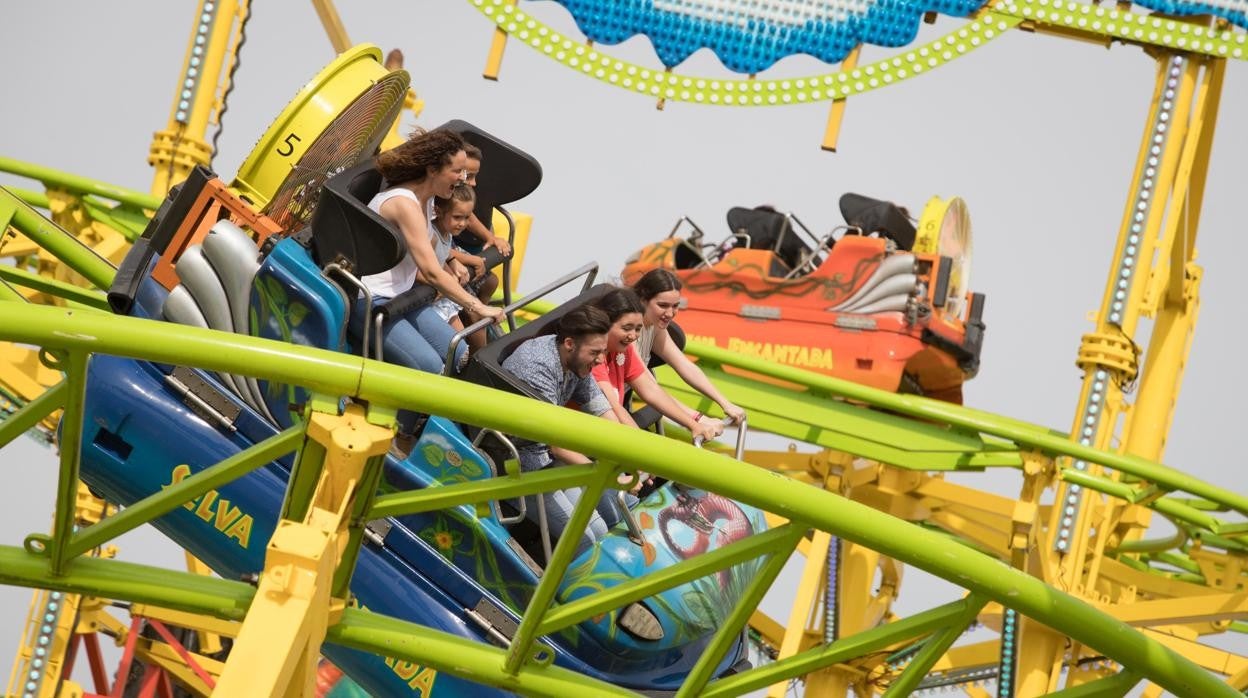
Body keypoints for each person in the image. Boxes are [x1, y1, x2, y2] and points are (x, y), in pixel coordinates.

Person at [350, 128, 503, 445]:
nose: (462, 178)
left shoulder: (428, 200)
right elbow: (431, 272)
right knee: (431, 368)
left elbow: (435, 247)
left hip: (403, 299)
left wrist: (454, 259)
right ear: (433, 169)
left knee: (459, 353)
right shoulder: (404, 203)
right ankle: (399, 441)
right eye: (457, 171)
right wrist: (478, 306)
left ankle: (410, 427)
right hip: (373, 302)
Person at [501, 306, 624, 556]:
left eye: (603, 352)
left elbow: (603, 412)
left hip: (549, 460)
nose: (601, 360)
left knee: (602, 528)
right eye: (595, 352)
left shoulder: (576, 359)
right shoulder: (538, 367)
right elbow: (557, 446)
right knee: (586, 540)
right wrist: (608, 476)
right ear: (569, 344)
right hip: (521, 464)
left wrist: (633, 456)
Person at [591, 288, 723, 444]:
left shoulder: (625, 351)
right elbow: (614, 409)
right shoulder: (593, 357)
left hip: (606, 432)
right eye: (626, 328)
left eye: (638, 329)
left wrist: (694, 423)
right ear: (606, 323)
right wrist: (642, 447)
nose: (633, 336)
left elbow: (651, 390)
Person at [631, 269, 746, 425]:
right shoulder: (629, 332)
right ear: (643, 300)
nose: (670, 313)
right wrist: (697, 419)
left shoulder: (654, 327)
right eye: (663, 305)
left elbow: (684, 366)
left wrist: (725, 403)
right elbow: (650, 388)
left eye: (675, 306)